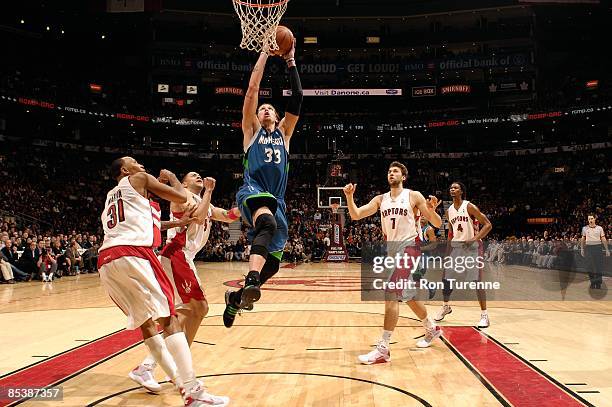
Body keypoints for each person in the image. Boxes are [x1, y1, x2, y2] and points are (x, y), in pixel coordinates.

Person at [97, 157, 228, 406]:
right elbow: (180, 198)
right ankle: (193, 391)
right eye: (134, 162)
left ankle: (164, 377)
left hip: (107, 261)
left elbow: (151, 221)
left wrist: (177, 223)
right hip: (135, 253)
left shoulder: (111, 197)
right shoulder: (139, 179)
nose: (140, 164)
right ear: (125, 170)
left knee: (148, 325)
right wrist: (174, 180)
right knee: (170, 318)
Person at [128, 172, 240, 393]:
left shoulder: (204, 202)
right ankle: (171, 367)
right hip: (176, 254)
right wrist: (208, 190)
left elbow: (227, 216)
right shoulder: (182, 197)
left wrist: (247, 206)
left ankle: (149, 366)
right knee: (199, 307)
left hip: (183, 257)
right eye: (193, 175)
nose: (198, 176)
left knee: (190, 313)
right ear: (185, 183)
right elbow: (197, 218)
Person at [222, 38, 303, 327]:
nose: (265, 109)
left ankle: (236, 298)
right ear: (255, 116)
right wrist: (264, 55)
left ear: (279, 117)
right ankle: (252, 279)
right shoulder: (251, 132)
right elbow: (252, 91)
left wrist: (290, 60)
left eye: (270, 108)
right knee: (266, 225)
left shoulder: (285, 134)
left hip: (277, 200)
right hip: (253, 191)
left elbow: (298, 97)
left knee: (275, 264)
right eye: (262, 108)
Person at [344, 162, 443, 365]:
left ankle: (383, 348)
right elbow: (356, 214)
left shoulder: (414, 196)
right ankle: (431, 328)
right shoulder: (380, 199)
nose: (391, 173)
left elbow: (438, 223)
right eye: (389, 171)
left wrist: (432, 211)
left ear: (403, 176)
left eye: (395, 171)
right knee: (408, 296)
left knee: (391, 294)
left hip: (410, 248)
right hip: (392, 252)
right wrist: (349, 197)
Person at [434, 182, 493, 328]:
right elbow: (450, 234)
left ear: (461, 191)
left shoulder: (469, 206)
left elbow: (488, 225)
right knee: (446, 279)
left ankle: (484, 315)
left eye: (455, 188)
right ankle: (446, 306)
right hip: (456, 247)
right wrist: (447, 254)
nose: (452, 189)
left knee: (476, 281)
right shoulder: (448, 212)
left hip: (472, 248)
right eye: (451, 188)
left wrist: (474, 238)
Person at [581, 214, 610, 289]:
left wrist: (607, 250)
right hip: (588, 248)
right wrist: (582, 249)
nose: (590, 220)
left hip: (598, 247)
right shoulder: (584, 228)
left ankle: (598, 283)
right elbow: (583, 239)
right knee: (589, 266)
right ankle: (593, 282)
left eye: (592, 218)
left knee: (598, 266)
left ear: (595, 219)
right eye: (589, 219)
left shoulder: (600, 228)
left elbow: (603, 239)